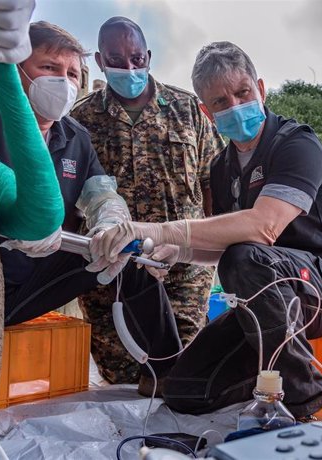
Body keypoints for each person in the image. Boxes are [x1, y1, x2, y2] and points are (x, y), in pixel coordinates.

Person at [91, 41, 322, 419]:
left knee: (245, 258)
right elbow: (225, 245)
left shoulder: (296, 143)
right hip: (263, 298)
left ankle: (301, 402)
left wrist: (163, 231)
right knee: (184, 390)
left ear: (260, 89)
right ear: (206, 112)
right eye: (221, 102)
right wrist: (180, 252)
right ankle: (265, 383)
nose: (235, 106)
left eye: (242, 93)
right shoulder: (222, 167)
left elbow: (263, 228)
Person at [0, 21, 132, 326]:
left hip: (26, 288)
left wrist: (111, 224)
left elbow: (101, 194)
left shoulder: (76, 138)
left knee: (130, 255)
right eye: (49, 67)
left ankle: (164, 368)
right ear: (16, 68)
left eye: (72, 74)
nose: (64, 82)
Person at [71, 17, 225, 392]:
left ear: (149, 56)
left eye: (137, 58)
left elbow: (212, 182)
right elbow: (71, 193)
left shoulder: (188, 110)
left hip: (182, 265)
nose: (129, 68)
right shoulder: (81, 119)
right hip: (112, 267)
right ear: (100, 60)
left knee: (179, 370)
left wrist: (209, 244)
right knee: (120, 374)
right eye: (118, 59)